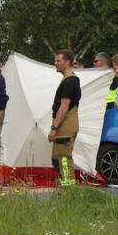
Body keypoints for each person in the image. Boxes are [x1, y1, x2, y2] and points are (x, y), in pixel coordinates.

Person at [49, 49, 82, 183]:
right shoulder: (68, 80)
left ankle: (68, 189)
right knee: (57, 158)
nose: (55, 63)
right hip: (66, 122)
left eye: (58, 60)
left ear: (67, 62)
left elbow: (64, 107)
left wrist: (54, 127)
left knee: (63, 158)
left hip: (66, 123)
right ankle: (64, 187)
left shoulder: (70, 82)